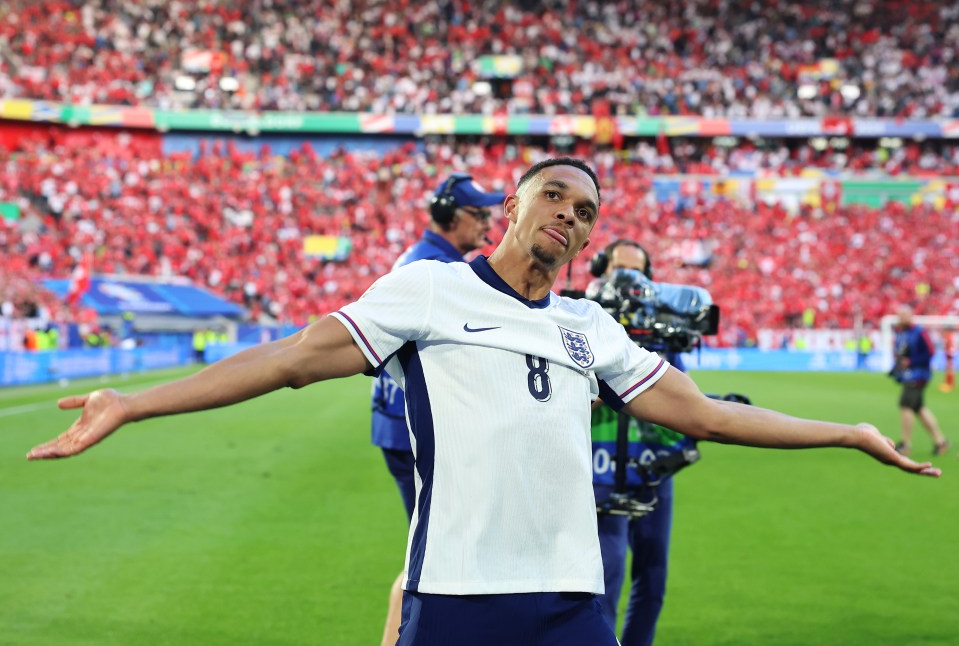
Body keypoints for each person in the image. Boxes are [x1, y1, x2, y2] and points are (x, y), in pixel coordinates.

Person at [27, 158, 940, 646]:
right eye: (555, 196)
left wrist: (849, 432)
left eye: (585, 211)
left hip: (572, 604)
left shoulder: (591, 327)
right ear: (511, 204)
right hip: (458, 597)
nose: (571, 217)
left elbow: (706, 414)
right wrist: (135, 404)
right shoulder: (428, 292)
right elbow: (291, 359)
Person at [373, 172, 504, 646]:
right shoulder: (432, 268)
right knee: (428, 558)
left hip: (399, 426)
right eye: (479, 213)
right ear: (453, 217)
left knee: (430, 553)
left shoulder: (430, 260)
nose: (488, 221)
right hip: (414, 431)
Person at [588, 239, 679, 646]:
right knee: (606, 575)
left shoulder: (662, 328)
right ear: (600, 270)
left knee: (653, 576)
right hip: (599, 467)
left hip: (655, 468)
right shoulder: (582, 320)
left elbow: (681, 401)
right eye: (618, 268)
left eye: (637, 272)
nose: (627, 279)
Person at [891, 305, 949, 456]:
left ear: (911, 315)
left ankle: (905, 444)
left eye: (904, 314)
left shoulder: (919, 332)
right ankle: (940, 441)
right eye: (900, 315)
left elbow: (930, 352)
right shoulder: (900, 332)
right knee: (919, 408)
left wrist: (911, 361)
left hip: (918, 375)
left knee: (905, 405)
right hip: (908, 374)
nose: (901, 317)